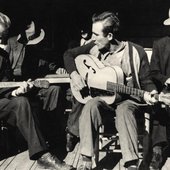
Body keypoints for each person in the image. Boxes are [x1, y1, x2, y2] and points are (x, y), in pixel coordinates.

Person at [64, 11, 158, 170]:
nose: (92, 38)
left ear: (109, 36)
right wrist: (74, 74)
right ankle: (86, 160)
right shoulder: (94, 46)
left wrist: (153, 92)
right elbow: (68, 54)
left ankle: (130, 164)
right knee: (90, 105)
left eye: (96, 34)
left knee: (123, 110)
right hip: (104, 100)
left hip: (128, 99)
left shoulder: (135, 52)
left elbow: (146, 81)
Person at [0, 12, 72, 170]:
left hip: (9, 95)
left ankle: (47, 148)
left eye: (2, 36)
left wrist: (14, 91)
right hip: (7, 95)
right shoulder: (10, 49)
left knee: (46, 93)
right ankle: (42, 150)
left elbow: (5, 83)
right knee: (22, 102)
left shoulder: (2, 56)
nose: (1, 41)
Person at [7, 19, 67, 145]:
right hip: (16, 87)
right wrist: (20, 83)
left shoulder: (38, 48)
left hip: (36, 86)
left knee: (55, 90)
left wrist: (57, 69)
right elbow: (6, 69)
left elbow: (48, 64)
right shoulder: (11, 44)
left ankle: (53, 135)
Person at [149, 8, 170, 170]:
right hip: (165, 89)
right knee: (159, 104)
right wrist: (166, 80)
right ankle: (158, 151)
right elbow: (154, 72)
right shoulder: (160, 44)